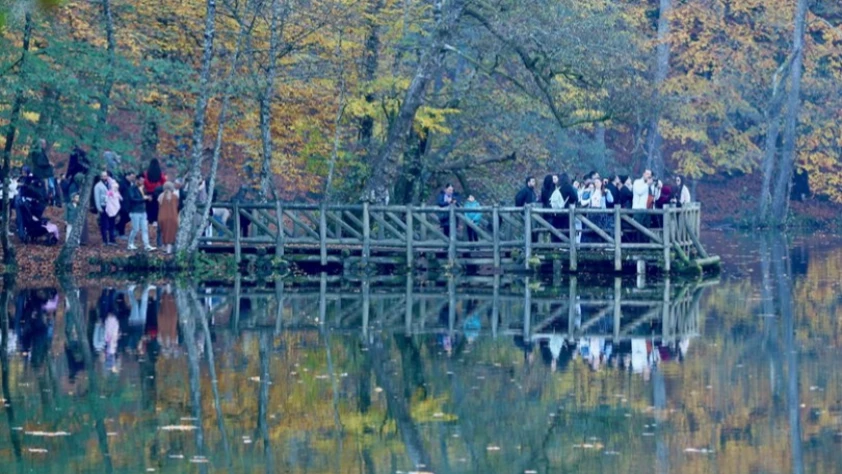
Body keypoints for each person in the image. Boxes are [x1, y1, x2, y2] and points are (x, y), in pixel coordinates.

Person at [127, 173, 156, 251]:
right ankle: (130, 243)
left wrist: (148, 198)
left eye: (143, 181)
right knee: (135, 229)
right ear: (137, 180)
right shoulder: (132, 188)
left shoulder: (143, 188)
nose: (142, 182)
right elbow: (132, 199)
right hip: (135, 211)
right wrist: (144, 199)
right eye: (141, 181)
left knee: (145, 229)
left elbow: (145, 196)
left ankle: (147, 245)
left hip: (143, 211)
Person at [28, 138, 59, 207]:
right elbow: (40, 162)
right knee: (43, 189)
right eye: (44, 144)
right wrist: (48, 163)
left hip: (42, 174)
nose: (45, 145)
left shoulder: (39, 151)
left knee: (46, 188)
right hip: (41, 174)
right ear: (41, 144)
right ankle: (43, 202)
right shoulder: (38, 152)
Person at [94, 171, 117, 246]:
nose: (104, 177)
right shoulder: (98, 186)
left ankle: (112, 240)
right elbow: (96, 197)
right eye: (103, 176)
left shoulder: (111, 184)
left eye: (106, 176)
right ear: (101, 177)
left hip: (111, 206)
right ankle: (105, 240)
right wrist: (99, 208)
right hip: (103, 206)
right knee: (104, 224)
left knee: (112, 223)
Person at [142, 158, 167, 226]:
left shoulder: (146, 173)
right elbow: (164, 181)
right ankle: (156, 221)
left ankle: (149, 220)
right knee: (157, 207)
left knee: (149, 207)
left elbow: (144, 181)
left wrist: (149, 187)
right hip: (158, 193)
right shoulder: (160, 173)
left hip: (149, 193)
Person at [157, 182, 179, 254]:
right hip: (173, 217)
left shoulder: (160, 196)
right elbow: (178, 206)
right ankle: (169, 250)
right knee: (171, 233)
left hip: (162, 216)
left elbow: (159, 205)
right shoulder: (175, 197)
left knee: (164, 232)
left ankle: (165, 248)